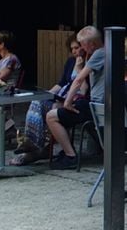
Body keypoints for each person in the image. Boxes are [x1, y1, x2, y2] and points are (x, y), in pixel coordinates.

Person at [11, 34, 83, 166]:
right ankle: (34, 145)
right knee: (37, 101)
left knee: (42, 107)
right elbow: (61, 83)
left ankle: (33, 145)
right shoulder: (71, 61)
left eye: (77, 48)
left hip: (74, 100)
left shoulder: (86, 63)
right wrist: (47, 94)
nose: (74, 51)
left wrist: (79, 69)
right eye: (72, 48)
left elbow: (84, 88)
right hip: (62, 96)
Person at [45, 26, 104, 169]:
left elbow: (79, 80)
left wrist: (68, 101)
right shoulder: (104, 52)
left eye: (82, 44)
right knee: (56, 109)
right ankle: (63, 150)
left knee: (51, 117)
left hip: (97, 106)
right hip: (96, 104)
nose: (82, 48)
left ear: (92, 44)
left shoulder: (99, 54)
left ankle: (70, 156)